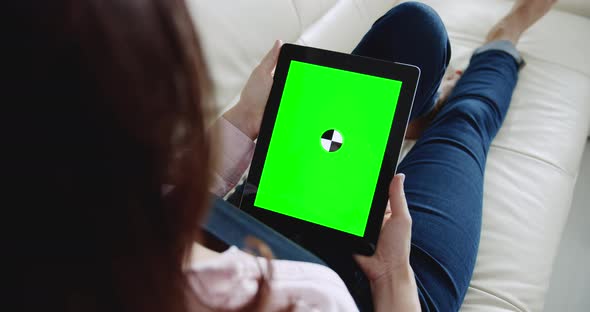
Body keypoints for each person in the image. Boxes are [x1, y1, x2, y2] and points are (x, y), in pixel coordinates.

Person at [6, 0, 555, 312]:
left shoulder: (49, 233)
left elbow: (165, 204)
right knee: (464, 128)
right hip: (364, 287)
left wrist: (246, 121)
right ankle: (505, 39)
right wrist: (392, 276)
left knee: (416, 32)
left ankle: (405, 120)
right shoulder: (311, 301)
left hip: (245, 221)